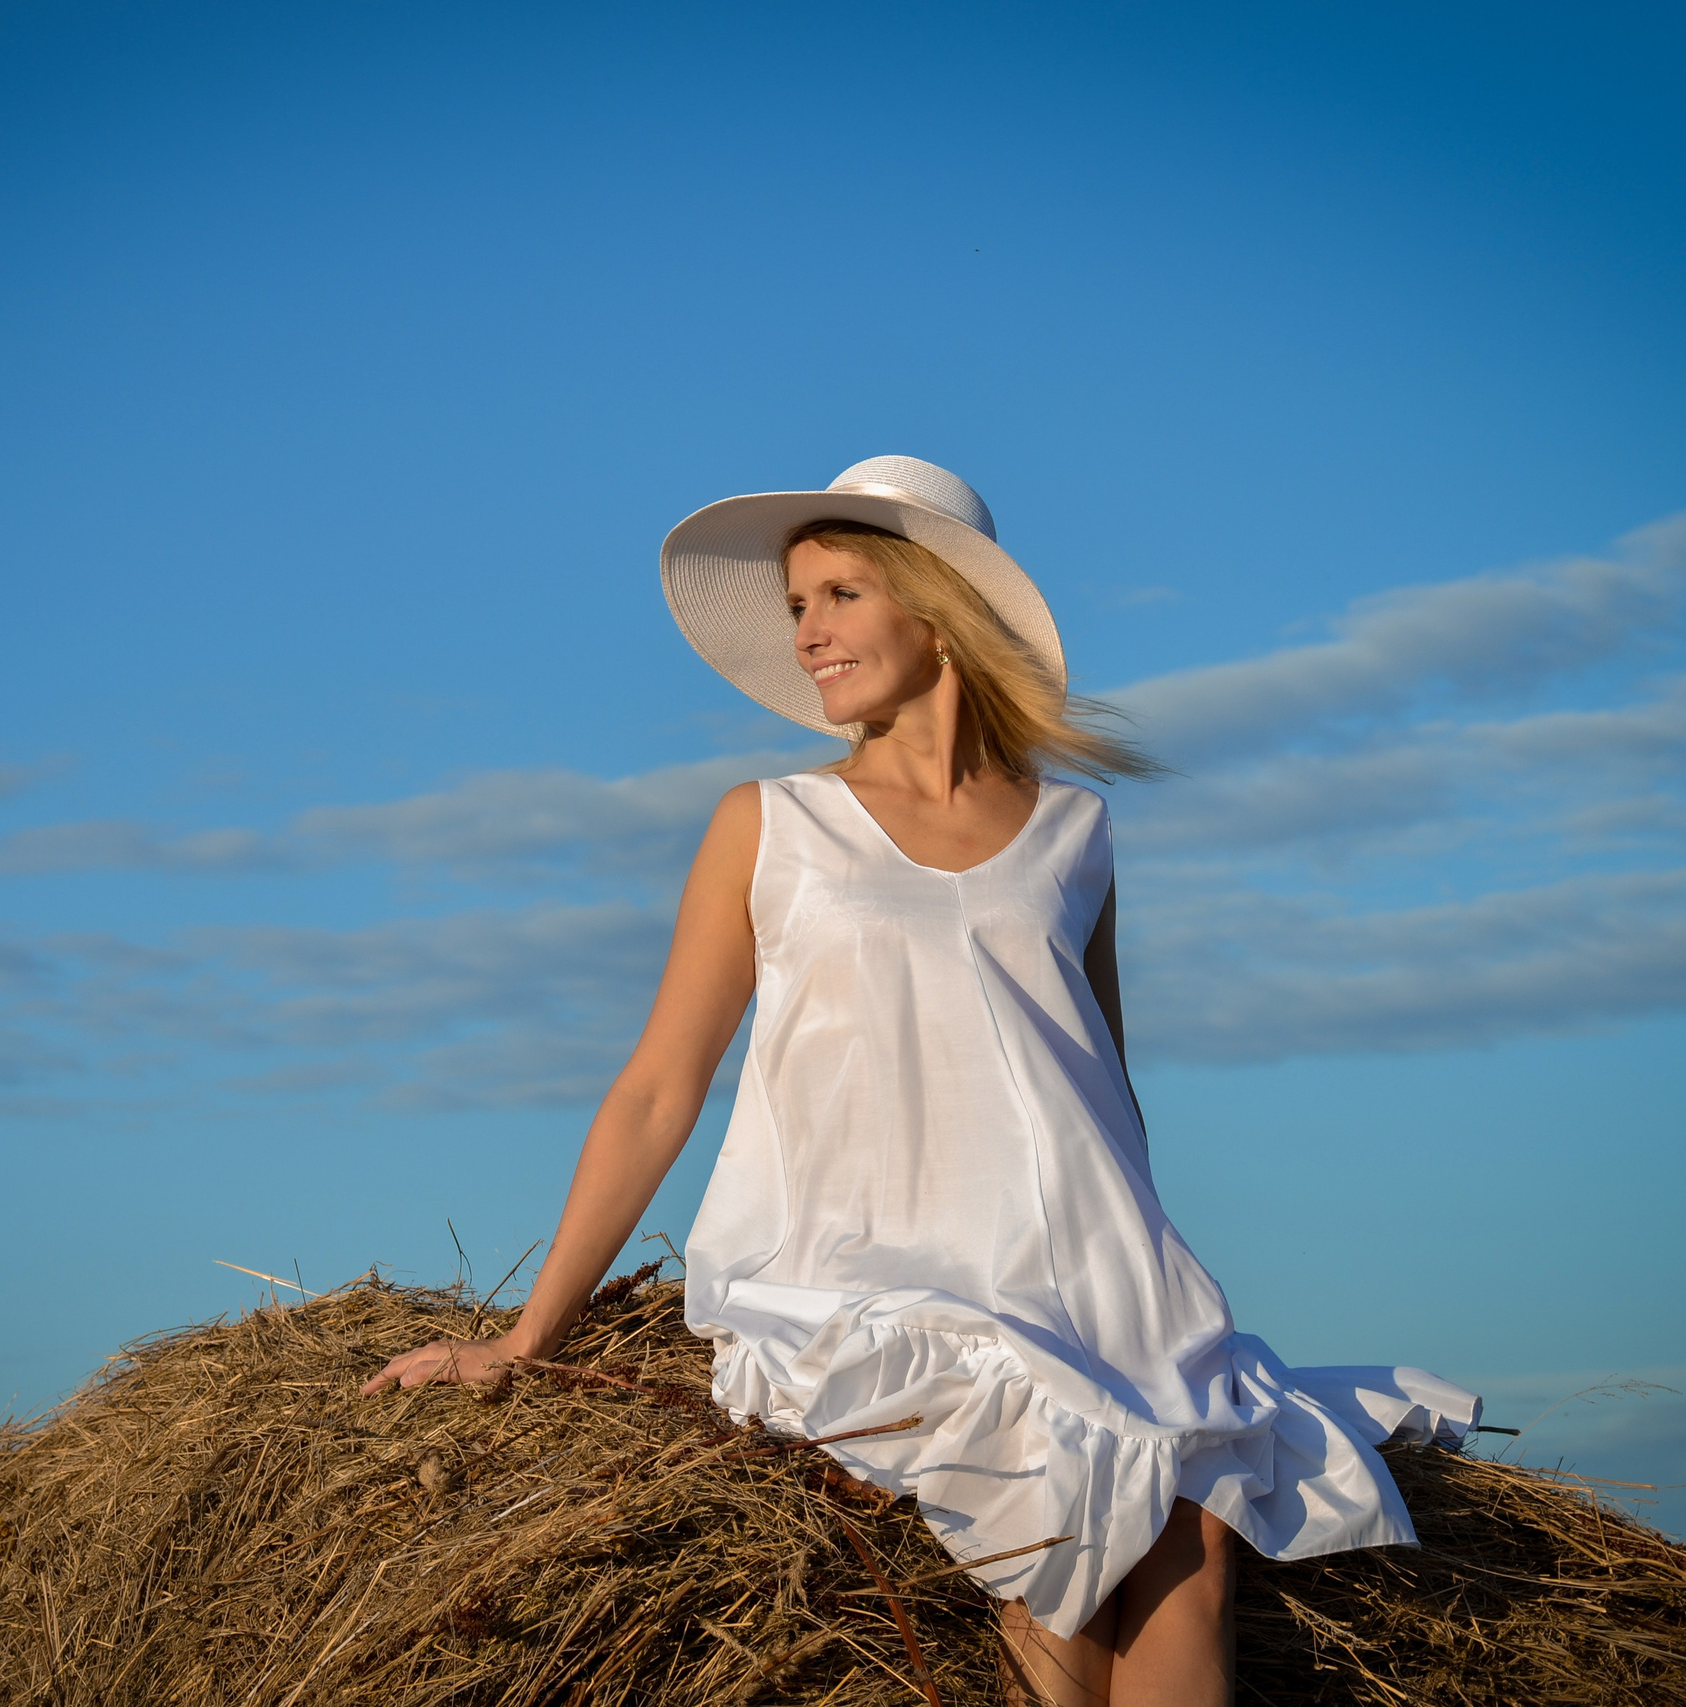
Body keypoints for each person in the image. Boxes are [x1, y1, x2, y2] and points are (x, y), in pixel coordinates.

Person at [366, 456, 1480, 1705]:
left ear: (936, 606)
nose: (808, 633)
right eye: (797, 606)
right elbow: (657, 1089)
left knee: (1190, 1534)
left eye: (838, 594)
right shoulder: (771, 823)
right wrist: (528, 1341)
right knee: (1056, 1537)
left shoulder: (1076, 833)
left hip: (1090, 1271)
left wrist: (1148, 1287)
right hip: (871, 1271)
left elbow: (1099, 1089)